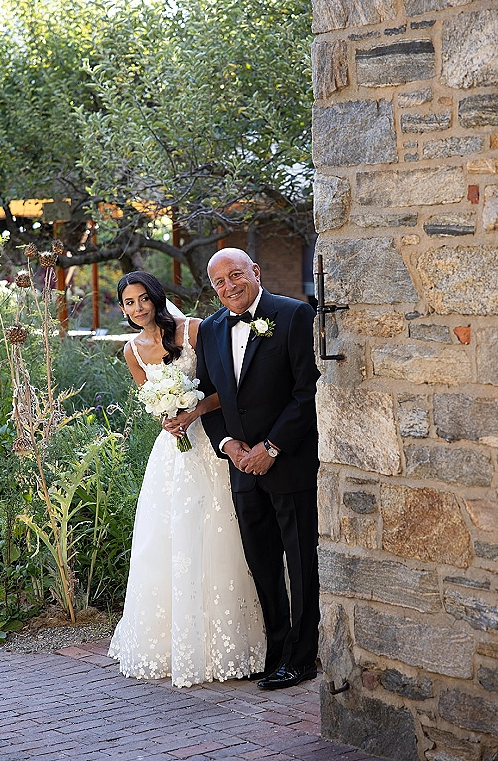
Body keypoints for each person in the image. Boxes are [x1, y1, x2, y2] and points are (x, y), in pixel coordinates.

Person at [107, 270, 265, 688]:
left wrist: (192, 411)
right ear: (122, 308)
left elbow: (223, 388)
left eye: (143, 299)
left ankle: (236, 641)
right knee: (167, 541)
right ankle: (176, 643)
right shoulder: (131, 350)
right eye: (128, 303)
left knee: (218, 535)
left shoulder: (193, 330)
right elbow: (148, 400)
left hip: (211, 443)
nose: (137, 308)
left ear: (156, 298)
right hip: (171, 455)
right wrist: (166, 417)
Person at [196, 248, 320, 689]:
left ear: (255, 272)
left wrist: (272, 446)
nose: (229, 287)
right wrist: (228, 444)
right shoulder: (209, 330)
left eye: (236, 275)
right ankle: (276, 651)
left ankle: (303, 658)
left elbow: (308, 393)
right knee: (262, 563)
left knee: (302, 563)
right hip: (242, 470)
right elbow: (207, 398)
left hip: (289, 463)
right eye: (219, 282)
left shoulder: (293, 315)